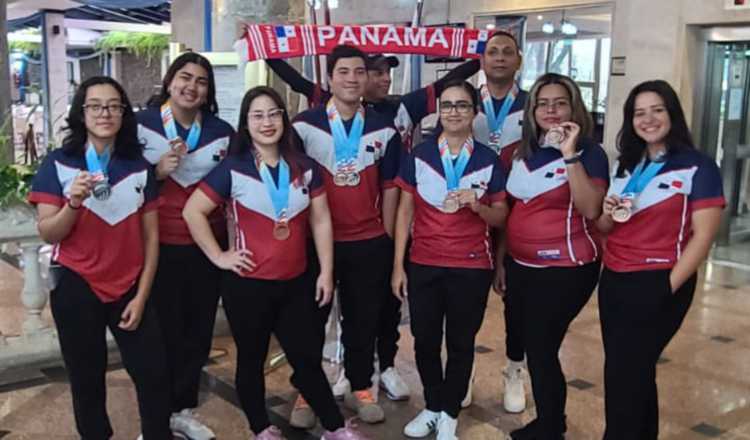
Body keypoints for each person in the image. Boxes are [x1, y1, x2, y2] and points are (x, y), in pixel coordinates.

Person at [182, 86, 369, 440]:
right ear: (246, 123)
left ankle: (335, 427)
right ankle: (260, 427)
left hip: (295, 280)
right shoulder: (233, 169)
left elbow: (321, 220)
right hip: (247, 284)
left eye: (273, 113)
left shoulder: (306, 168)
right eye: (257, 115)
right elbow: (193, 211)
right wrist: (219, 256)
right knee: (251, 359)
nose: (267, 122)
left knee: (306, 358)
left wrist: (326, 272)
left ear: (284, 118)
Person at [28, 76, 174, 440]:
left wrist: (141, 296)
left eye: (113, 105)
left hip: (130, 285)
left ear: (124, 113)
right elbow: (48, 232)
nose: (104, 113)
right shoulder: (59, 164)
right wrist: (73, 203)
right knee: (86, 379)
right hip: (77, 285)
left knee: (154, 375)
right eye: (95, 105)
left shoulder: (139, 167)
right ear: (82, 112)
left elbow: (151, 236)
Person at [596, 80, 725, 440]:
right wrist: (607, 212)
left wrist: (666, 286)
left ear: (672, 114)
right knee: (629, 372)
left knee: (627, 373)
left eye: (657, 110)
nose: (648, 119)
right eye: (639, 113)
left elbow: (704, 236)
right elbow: (606, 226)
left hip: (660, 279)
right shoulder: (627, 164)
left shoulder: (698, 166)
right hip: (616, 278)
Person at [392, 79, 509, 440]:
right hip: (425, 262)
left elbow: (502, 216)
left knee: (460, 342)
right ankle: (432, 405)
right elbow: (404, 211)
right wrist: (398, 265)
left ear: (474, 113)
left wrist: (478, 206)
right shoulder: (420, 156)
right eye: (447, 105)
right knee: (425, 340)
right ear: (438, 111)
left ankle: (449, 414)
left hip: (471, 265)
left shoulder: (489, 160)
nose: (453, 112)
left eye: (461, 105)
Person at [292, 44, 401, 425]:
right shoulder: (304, 126)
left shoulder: (384, 129)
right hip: (314, 243)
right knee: (310, 320)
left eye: (359, 72)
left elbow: (390, 188)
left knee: (362, 320)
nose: (352, 79)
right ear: (329, 78)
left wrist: (385, 239)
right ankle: (308, 390)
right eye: (344, 72)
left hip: (367, 241)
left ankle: (359, 386)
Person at [500, 73, 609, 440]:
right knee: (533, 344)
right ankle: (548, 421)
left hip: (566, 268)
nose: (550, 110)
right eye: (542, 103)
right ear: (532, 111)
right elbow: (512, 209)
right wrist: (501, 259)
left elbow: (591, 207)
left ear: (573, 106)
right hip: (519, 265)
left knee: (542, 347)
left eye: (559, 102)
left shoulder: (590, 153)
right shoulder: (522, 151)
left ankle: (551, 427)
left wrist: (570, 155)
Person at [137, 52, 234, 440]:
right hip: (154, 247)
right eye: (185, 77)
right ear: (170, 80)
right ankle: (155, 420)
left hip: (205, 248)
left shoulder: (222, 132)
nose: (191, 86)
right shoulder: (138, 126)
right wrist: (154, 173)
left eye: (201, 81)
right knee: (157, 337)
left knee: (196, 334)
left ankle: (183, 410)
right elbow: (116, 178)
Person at [465, 29, 530, 412]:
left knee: (516, 301)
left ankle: (514, 369)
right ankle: (464, 367)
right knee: (465, 301)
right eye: (493, 52)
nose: (500, 58)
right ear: (482, 60)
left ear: (519, 60)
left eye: (508, 52)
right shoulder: (464, 102)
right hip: (472, 213)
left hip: (518, 212)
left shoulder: (533, 105)